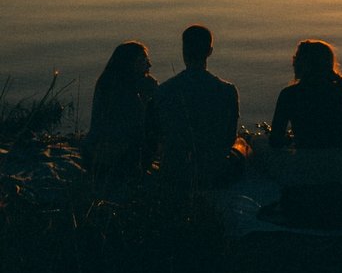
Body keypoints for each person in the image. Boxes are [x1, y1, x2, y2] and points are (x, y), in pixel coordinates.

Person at [265, 39, 342, 186]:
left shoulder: (289, 94)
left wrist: (290, 140)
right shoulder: (341, 90)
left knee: (257, 143)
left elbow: (275, 141)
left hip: (306, 169)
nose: (293, 62)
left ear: (303, 64)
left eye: (295, 59)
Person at [156, 24, 241, 190]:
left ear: (183, 50)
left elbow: (159, 134)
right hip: (214, 173)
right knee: (243, 145)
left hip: (174, 172)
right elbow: (229, 138)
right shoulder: (227, 91)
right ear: (210, 52)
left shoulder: (163, 90)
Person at [82, 41, 158, 187]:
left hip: (90, 156)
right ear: (129, 63)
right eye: (143, 60)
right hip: (116, 160)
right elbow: (138, 125)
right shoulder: (130, 90)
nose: (149, 65)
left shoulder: (106, 81)